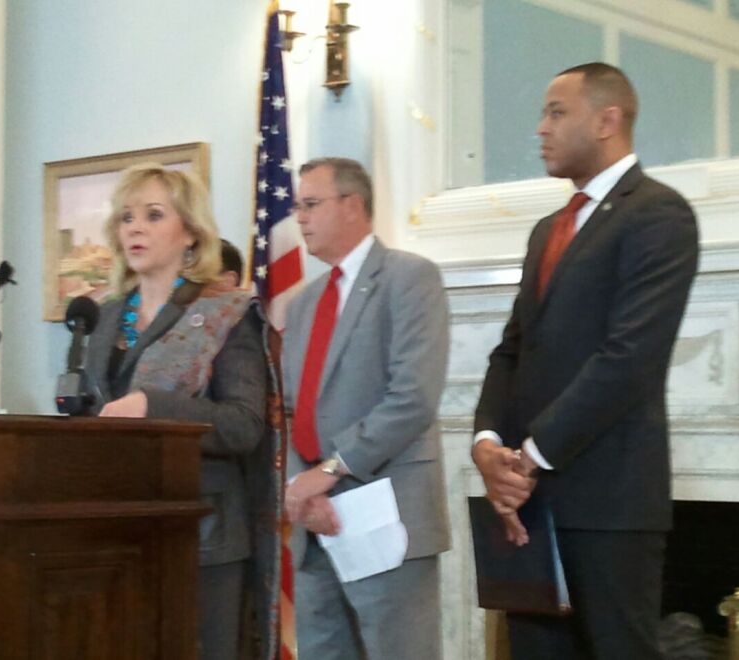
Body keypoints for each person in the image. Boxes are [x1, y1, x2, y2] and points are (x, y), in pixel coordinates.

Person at [472, 62, 699, 659]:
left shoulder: (658, 213)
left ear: (607, 120)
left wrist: (529, 455)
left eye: (556, 111)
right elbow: (512, 350)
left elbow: (630, 359)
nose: (540, 128)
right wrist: (487, 443)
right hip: (530, 511)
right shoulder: (548, 228)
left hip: (609, 507)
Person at [86, 163, 283, 660]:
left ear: (190, 233)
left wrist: (153, 407)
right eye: (127, 216)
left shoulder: (226, 313)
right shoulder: (105, 316)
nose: (135, 227)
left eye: (154, 215)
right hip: (113, 530)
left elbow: (243, 426)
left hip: (203, 533)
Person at [282, 157, 451, 659]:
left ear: (352, 205)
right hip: (316, 521)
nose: (301, 219)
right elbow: (295, 412)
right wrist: (301, 490)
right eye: (298, 207)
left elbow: (413, 397)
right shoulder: (303, 302)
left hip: (387, 515)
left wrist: (329, 471)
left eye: (311, 205)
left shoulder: (409, 277)